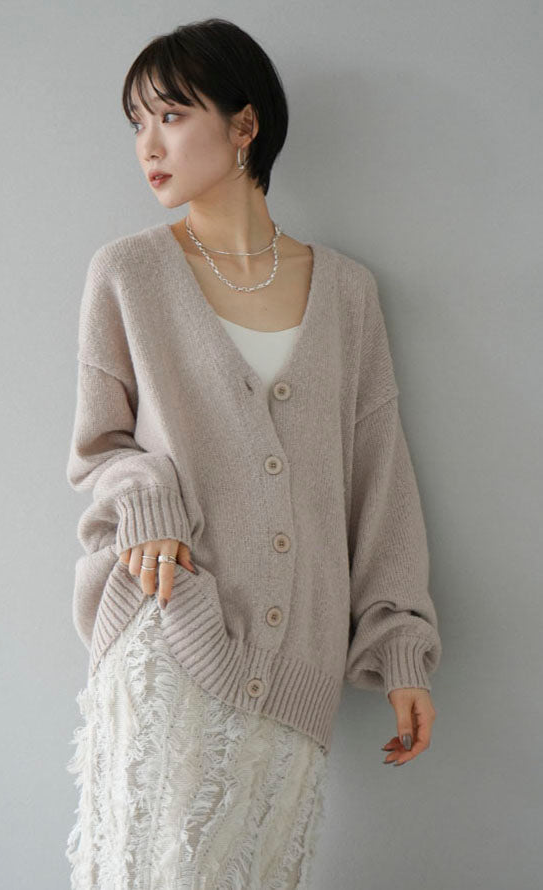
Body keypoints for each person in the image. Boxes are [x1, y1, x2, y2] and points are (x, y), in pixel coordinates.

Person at [64, 17, 441, 890]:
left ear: (244, 124)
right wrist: (149, 498)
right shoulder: (127, 273)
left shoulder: (347, 293)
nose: (148, 145)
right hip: (170, 624)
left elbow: (379, 477)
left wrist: (401, 644)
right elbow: (98, 446)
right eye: (136, 122)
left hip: (298, 661)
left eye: (171, 116)